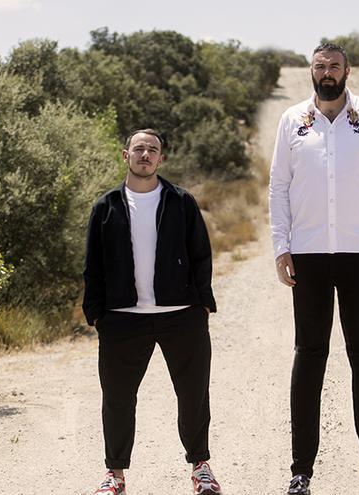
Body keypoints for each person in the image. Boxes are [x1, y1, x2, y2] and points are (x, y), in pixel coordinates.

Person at [268, 43, 359, 495]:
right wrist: (281, 246)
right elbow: (279, 188)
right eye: (320, 66)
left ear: (348, 71)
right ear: (312, 71)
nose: (327, 73)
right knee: (309, 358)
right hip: (307, 254)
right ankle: (300, 471)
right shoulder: (292, 121)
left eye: (334, 66)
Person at [83, 129, 222, 495]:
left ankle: (201, 468)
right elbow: (92, 265)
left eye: (153, 149)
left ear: (161, 159)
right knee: (117, 397)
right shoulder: (106, 206)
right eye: (139, 148)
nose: (145, 154)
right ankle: (115, 474)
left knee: (193, 393)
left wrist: (202, 304)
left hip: (182, 315)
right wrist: (97, 314)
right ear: (125, 155)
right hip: (122, 318)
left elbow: (200, 254)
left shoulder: (181, 201)